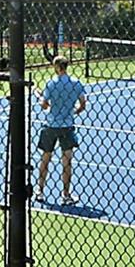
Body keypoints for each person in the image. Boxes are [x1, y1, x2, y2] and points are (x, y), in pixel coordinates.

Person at [35, 54, 87, 206]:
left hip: (51, 125)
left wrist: (39, 96)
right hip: (67, 126)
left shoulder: (51, 83)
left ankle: (40, 191)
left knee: (45, 158)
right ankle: (66, 194)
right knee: (67, 161)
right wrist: (72, 112)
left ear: (56, 67)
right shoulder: (76, 83)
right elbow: (83, 104)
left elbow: (44, 105)